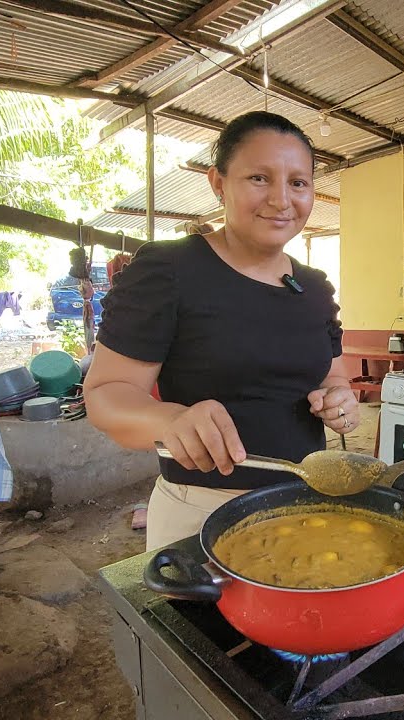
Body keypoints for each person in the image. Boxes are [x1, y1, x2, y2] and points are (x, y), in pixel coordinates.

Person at [84, 111, 359, 550]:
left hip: (306, 504)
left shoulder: (313, 287)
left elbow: (334, 377)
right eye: (259, 178)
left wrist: (340, 400)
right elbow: (104, 396)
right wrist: (168, 418)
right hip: (201, 513)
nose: (281, 199)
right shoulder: (168, 270)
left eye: (298, 182)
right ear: (218, 183)